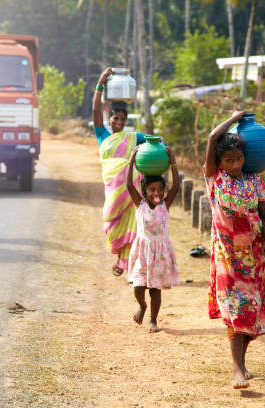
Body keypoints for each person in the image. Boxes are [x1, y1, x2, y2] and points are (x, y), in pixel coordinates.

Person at [203, 110, 265, 389]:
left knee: (250, 308)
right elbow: (212, 136)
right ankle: (237, 369)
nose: (235, 164)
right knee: (234, 308)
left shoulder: (254, 180)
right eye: (229, 160)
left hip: (255, 255)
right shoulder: (214, 178)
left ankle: (243, 364)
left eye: (239, 158)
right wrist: (234, 118)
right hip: (227, 256)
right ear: (219, 162)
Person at [93, 67, 148, 276]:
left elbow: (156, 142)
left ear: (126, 122)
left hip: (130, 186)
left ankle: (125, 263)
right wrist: (100, 84)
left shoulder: (134, 137)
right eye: (115, 119)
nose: (118, 123)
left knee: (131, 221)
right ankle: (122, 258)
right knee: (112, 222)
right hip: (114, 188)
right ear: (110, 118)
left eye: (122, 121)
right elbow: (95, 111)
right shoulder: (102, 135)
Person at [125, 146, 180, 333]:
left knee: (155, 290)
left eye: (160, 189)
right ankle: (142, 305)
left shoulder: (165, 205)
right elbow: (129, 185)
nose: (157, 193)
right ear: (144, 191)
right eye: (152, 189)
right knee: (138, 288)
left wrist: (173, 162)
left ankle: (153, 320)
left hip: (160, 255)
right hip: (142, 252)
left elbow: (177, 186)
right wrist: (131, 160)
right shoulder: (139, 205)